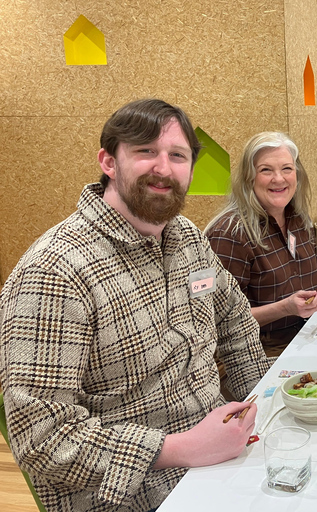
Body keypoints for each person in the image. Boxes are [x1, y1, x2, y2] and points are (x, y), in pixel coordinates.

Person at [0, 99, 275, 512]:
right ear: (109, 162)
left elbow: (235, 322)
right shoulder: (56, 270)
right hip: (133, 495)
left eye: (177, 156)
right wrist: (180, 448)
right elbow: (41, 438)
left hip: (220, 461)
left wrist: (262, 410)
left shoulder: (186, 238)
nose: (163, 168)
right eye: (146, 151)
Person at [206, 132, 317, 357]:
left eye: (287, 169)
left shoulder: (298, 220)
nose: (278, 179)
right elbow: (218, 319)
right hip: (256, 351)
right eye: (266, 170)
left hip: (307, 336)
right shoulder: (230, 233)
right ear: (249, 178)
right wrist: (285, 308)